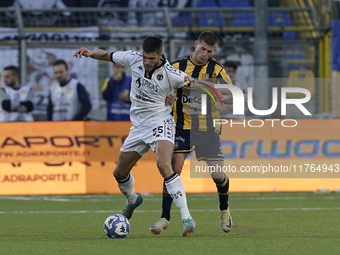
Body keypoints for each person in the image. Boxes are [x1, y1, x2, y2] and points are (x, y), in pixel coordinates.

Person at [73, 36, 207, 237]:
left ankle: (187, 218)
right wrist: (91, 53)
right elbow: (108, 55)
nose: (147, 61)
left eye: (151, 58)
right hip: (138, 127)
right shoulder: (133, 58)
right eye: (145, 56)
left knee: (164, 165)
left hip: (161, 122)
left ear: (160, 55)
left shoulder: (172, 74)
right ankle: (133, 200)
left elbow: (198, 85)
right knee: (119, 172)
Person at [150, 31, 235, 235]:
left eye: (210, 51)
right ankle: (165, 217)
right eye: (203, 48)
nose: (205, 54)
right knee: (174, 169)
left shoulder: (216, 69)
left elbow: (230, 92)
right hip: (182, 126)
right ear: (196, 44)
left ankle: (224, 210)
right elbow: (160, 89)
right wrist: (167, 98)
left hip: (207, 127)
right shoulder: (177, 66)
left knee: (217, 174)